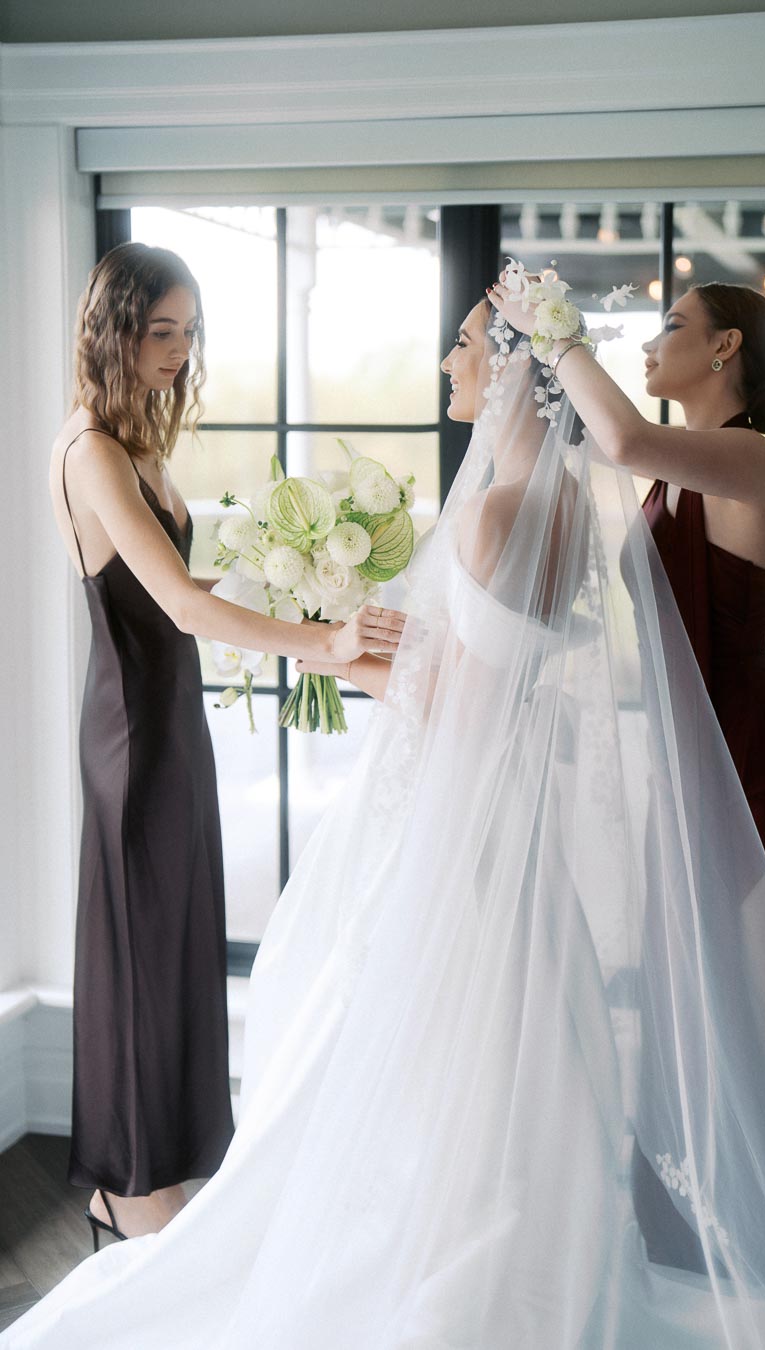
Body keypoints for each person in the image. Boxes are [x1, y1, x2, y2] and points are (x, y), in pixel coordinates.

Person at [6, 282, 765, 1347]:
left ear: (514, 364)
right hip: (530, 822)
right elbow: (518, 682)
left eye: (467, 344)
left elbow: (467, 698)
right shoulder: (561, 505)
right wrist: (366, 651)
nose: (447, 363)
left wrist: (365, 660)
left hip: (595, 794)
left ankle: (656, 1230)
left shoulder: (498, 511)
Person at [45, 243, 405, 1249]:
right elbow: (175, 606)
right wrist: (320, 647)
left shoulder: (138, 444)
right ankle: (122, 1190)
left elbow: (196, 602)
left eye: (189, 331)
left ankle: (159, 1171)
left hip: (174, 730)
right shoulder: (91, 453)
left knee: (173, 953)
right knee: (133, 959)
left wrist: (315, 613)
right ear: (112, 330)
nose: (178, 349)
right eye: (160, 329)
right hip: (130, 736)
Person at [488, 276, 765, 997]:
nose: (646, 343)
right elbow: (578, 439)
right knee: (696, 994)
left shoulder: (750, 458)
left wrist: (558, 334)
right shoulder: (675, 469)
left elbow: (622, 435)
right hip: (687, 753)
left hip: (748, 752)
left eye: (670, 326)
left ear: (724, 347)